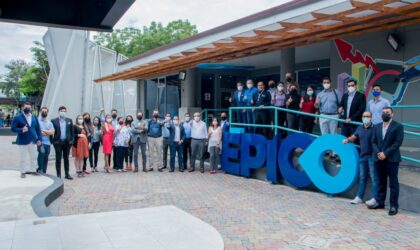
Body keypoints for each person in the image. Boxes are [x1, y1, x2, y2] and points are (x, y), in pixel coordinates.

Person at [368, 107, 404, 216]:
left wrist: (385, 153)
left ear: (392, 114)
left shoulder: (398, 126)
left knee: (393, 183)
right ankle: (380, 202)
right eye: (383, 112)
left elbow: (397, 143)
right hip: (379, 159)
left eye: (387, 113)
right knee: (381, 182)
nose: (385, 114)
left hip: (392, 159)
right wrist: (378, 153)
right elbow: (373, 141)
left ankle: (394, 206)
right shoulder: (377, 126)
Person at [343, 111, 377, 206]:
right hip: (362, 156)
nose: (366, 118)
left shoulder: (375, 129)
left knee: (374, 178)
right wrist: (347, 140)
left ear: (371, 117)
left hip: (372, 157)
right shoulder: (360, 127)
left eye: (368, 116)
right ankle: (359, 197)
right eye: (364, 116)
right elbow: (354, 136)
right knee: (362, 177)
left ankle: (374, 198)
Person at [11, 102, 42, 178]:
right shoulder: (17, 117)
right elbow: (13, 128)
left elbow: (38, 129)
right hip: (23, 140)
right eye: (26, 107)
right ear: (23, 108)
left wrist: (39, 139)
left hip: (33, 140)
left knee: (34, 157)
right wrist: (21, 129)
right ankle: (22, 172)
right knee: (22, 158)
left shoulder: (34, 117)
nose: (27, 109)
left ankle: (33, 170)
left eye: (29, 107)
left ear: (31, 108)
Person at [51, 106, 74, 180]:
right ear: (58, 111)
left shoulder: (69, 120)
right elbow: (51, 132)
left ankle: (67, 174)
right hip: (58, 142)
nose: (63, 112)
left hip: (67, 142)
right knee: (58, 159)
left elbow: (72, 132)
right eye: (61, 111)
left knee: (66, 158)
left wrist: (71, 141)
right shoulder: (54, 121)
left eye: (64, 111)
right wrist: (53, 141)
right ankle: (58, 175)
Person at [37, 107, 55, 174]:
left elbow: (52, 132)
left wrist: (44, 131)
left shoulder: (49, 123)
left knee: (46, 157)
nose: (44, 112)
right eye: (43, 111)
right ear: (40, 112)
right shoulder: (37, 121)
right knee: (42, 153)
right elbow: (38, 131)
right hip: (40, 142)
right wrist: (48, 132)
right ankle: (40, 169)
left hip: (48, 143)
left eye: (45, 111)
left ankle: (44, 171)